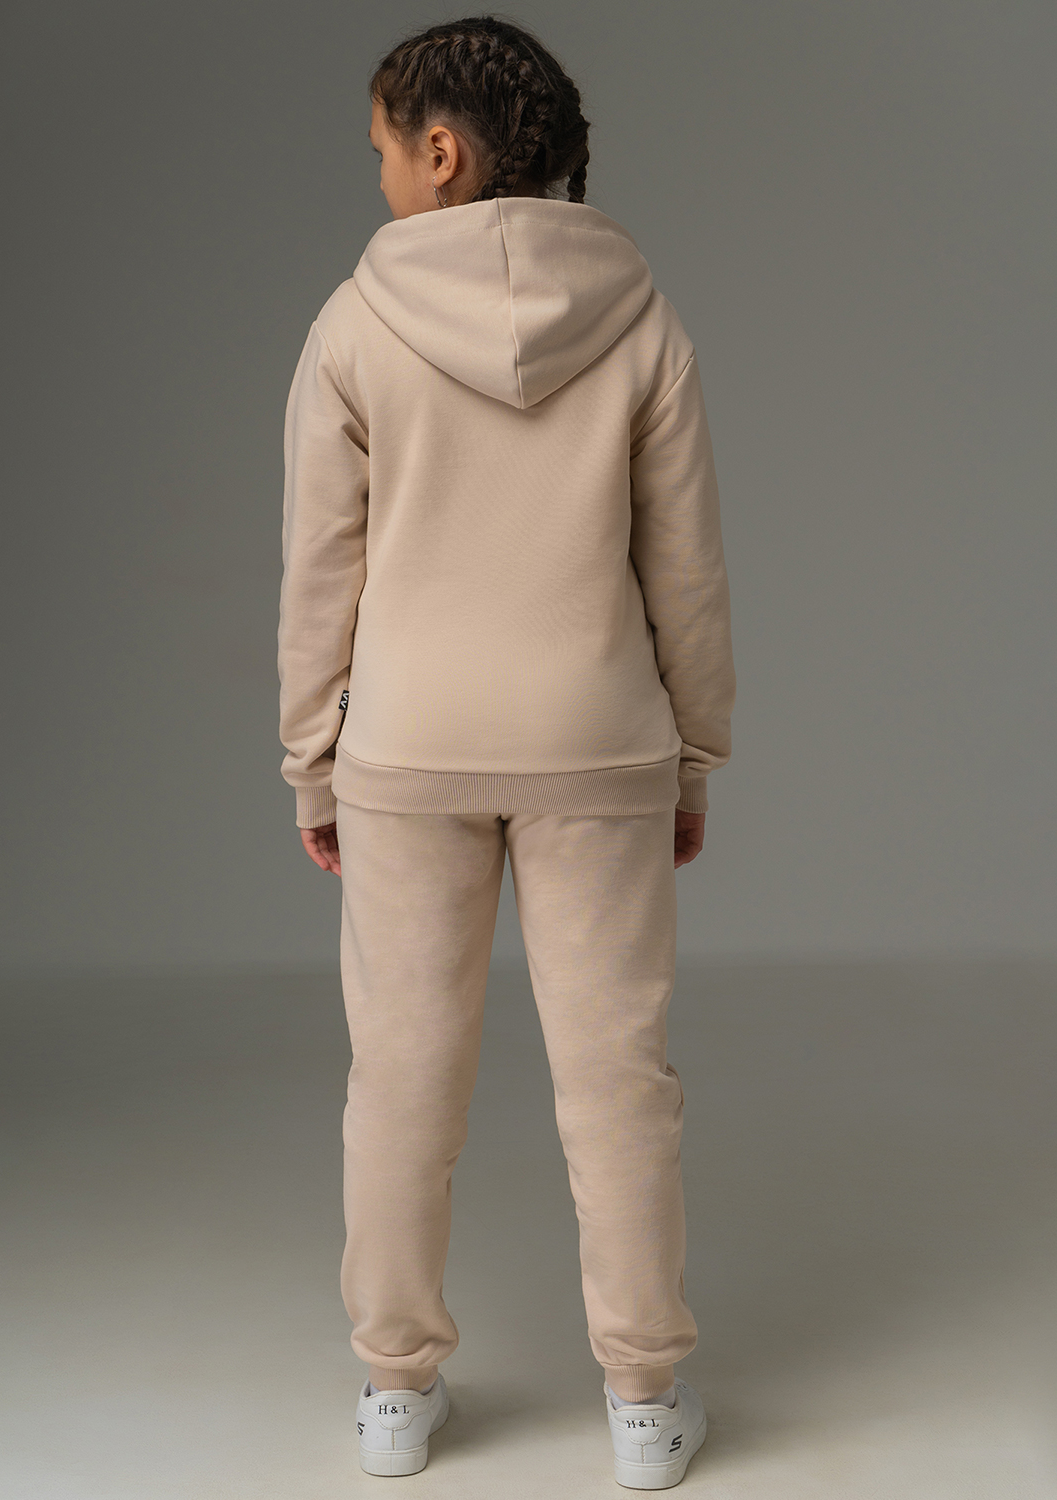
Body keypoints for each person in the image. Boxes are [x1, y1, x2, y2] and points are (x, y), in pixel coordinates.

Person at [276, 15, 735, 1489]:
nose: (375, 178)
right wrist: (691, 756)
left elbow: (319, 571)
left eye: (379, 151)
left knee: (402, 1080)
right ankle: (646, 1404)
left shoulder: (353, 325)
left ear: (441, 152)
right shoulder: (645, 319)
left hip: (407, 750)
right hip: (600, 745)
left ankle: (395, 1392)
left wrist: (312, 760)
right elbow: (687, 571)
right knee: (619, 1083)